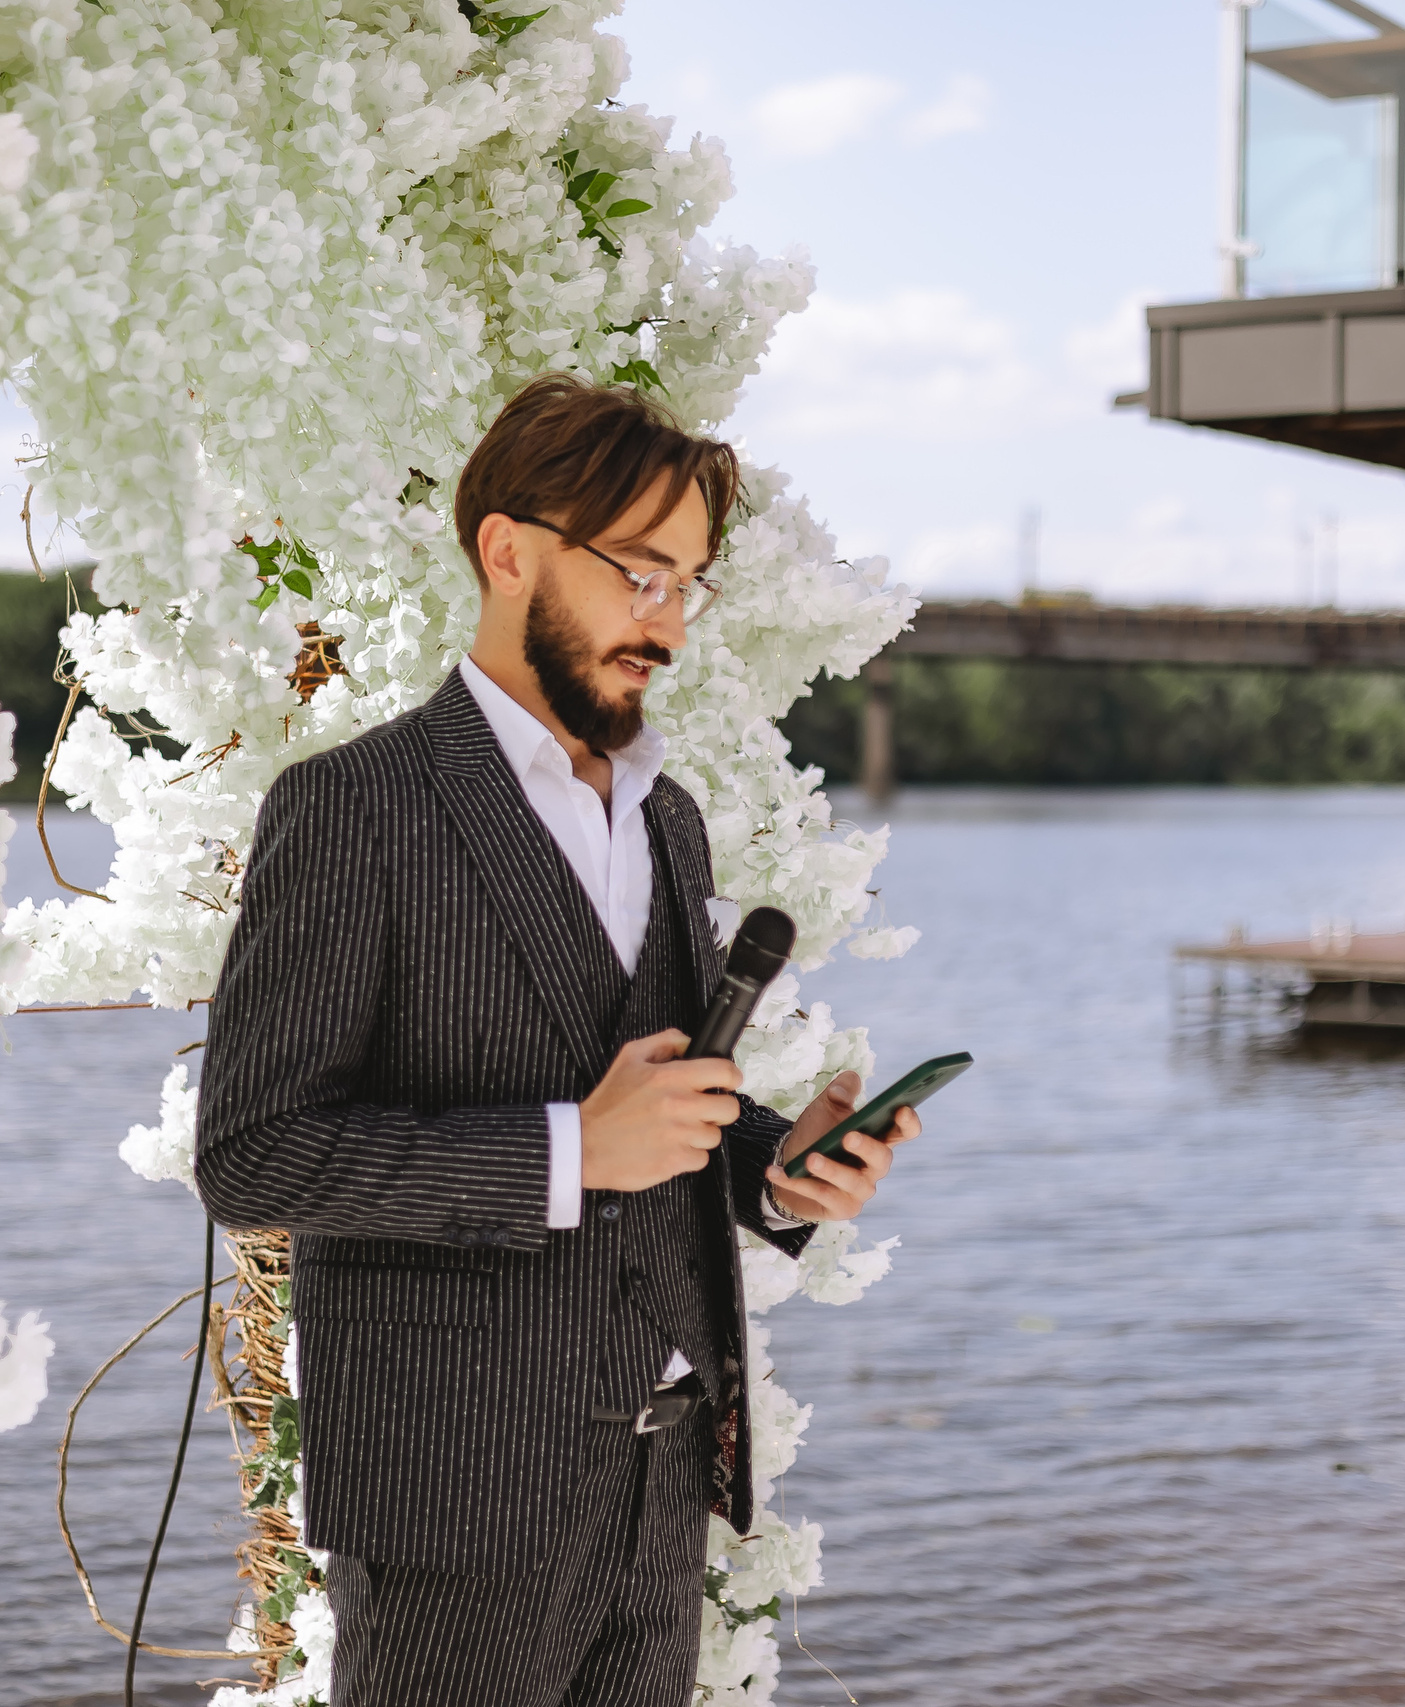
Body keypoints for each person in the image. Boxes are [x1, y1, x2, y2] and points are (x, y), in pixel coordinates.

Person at [193, 372, 924, 1707]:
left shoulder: (668, 819)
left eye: (690, 582)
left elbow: (663, 1099)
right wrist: (565, 1152)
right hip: (453, 1499)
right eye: (639, 571)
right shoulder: (355, 808)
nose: (671, 622)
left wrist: (774, 1169)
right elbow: (252, 1154)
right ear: (507, 549)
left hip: (660, 1480)